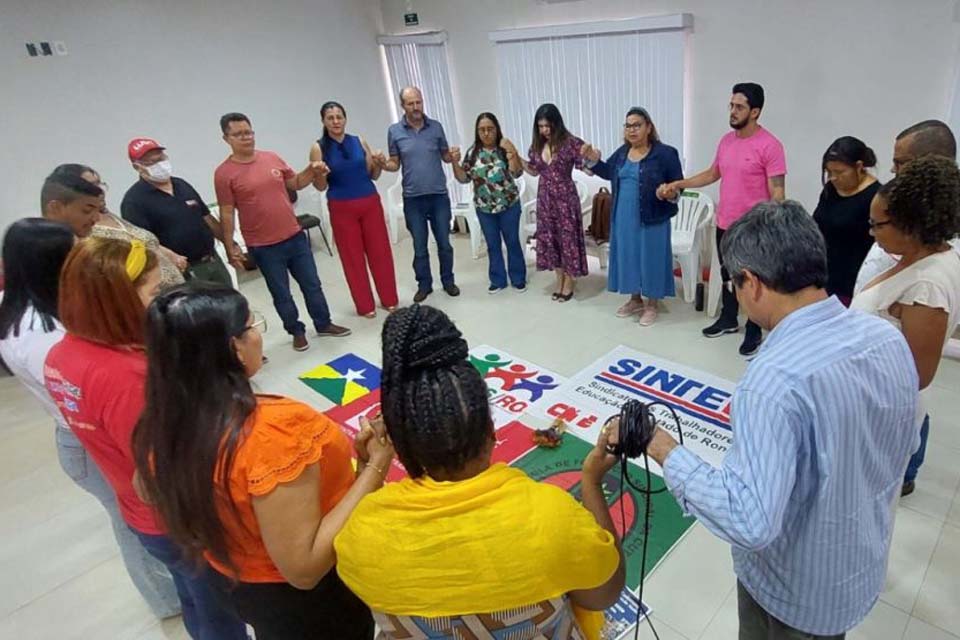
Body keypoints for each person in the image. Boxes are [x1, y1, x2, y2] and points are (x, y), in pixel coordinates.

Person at [639, 201, 918, 639]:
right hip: (856, 570)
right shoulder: (886, 338)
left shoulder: (772, 382)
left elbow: (749, 520)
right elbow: (905, 446)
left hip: (793, 595)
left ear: (751, 282)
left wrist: (662, 448)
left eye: (734, 283)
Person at [335, 304, 626, 640]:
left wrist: (371, 466)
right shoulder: (551, 516)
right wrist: (590, 482)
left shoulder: (363, 531)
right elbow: (603, 594)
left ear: (399, 443)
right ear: (490, 431)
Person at [133, 284, 390, 640]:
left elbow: (145, 488)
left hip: (235, 577)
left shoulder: (169, 417)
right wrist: (375, 468)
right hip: (307, 604)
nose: (258, 337)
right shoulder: (274, 433)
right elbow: (303, 569)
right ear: (233, 348)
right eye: (252, 326)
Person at [44, 238, 247, 640]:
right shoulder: (128, 377)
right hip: (178, 520)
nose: (163, 299)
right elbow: (164, 468)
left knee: (194, 600)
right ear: (115, 299)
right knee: (220, 615)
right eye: (154, 291)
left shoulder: (62, 355)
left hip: (140, 515)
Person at [0, 219, 180, 621]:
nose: (85, 255)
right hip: (90, 437)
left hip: (90, 431)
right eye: (74, 251)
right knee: (137, 523)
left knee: (137, 519)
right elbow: (150, 465)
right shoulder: (51, 339)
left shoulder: (64, 331)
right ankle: (167, 601)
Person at [853, 119, 960, 496]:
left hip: (878, 416)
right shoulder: (913, 259)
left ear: (911, 222)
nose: (872, 234)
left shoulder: (928, 285)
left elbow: (915, 376)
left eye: (877, 225)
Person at [660, 83, 787, 356]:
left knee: (753, 282)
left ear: (755, 111)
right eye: (731, 105)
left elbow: (778, 191)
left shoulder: (770, 146)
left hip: (754, 228)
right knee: (728, 275)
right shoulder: (727, 142)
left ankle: (754, 330)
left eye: (739, 107)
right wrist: (680, 183)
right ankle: (729, 319)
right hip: (725, 223)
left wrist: (773, 226)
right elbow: (712, 174)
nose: (732, 111)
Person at [215, 112, 350, 352]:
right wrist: (230, 245)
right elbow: (227, 213)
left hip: (294, 236)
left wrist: (313, 169)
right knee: (281, 293)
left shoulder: (271, 158)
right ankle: (296, 332)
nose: (246, 137)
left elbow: (296, 183)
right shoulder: (224, 173)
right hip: (263, 245)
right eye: (238, 134)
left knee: (312, 285)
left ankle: (323, 323)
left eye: (248, 132)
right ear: (226, 138)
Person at [582, 107, 684, 326]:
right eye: (628, 125)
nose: (632, 130)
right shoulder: (621, 153)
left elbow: (678, 185)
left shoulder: (665, 154)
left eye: (637, 125)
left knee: (652, 259)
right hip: (624, 216)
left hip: (653, 217)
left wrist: (670, 192)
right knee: (629, 257)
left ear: (649, 127)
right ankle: (635, 299)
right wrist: (592, 161)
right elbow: (608, 171)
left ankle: (652, 304)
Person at [309, 101, 399, 317]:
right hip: (341, 207)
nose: (336, 121)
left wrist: (378, 162)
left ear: (345, 118)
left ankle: (389, 298)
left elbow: (373, 174)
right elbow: (320, 186)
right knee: (352, 257)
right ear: (323, 121)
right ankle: (365, 305)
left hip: (369, 202)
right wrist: (320, 172)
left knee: (381, 252)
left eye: (339, 116)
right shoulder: (318, 147)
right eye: (330, 118)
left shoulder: (359, 141)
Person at [379, 86, 460, 302]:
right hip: (413, 199)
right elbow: (394, 163)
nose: (416, 107)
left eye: (418, 102)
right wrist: (383, 165)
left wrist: (453, 155)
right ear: (402, 106)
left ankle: (448, 281)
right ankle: (424, 285)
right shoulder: (395, 131)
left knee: (444, 242)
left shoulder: (436, 127)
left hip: (438, 196)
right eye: (410, 103)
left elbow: (445, 156)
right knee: (419, 246)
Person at [121, 137, 234, 287]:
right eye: (151, 162)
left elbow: (206, 217)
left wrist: (230, 245)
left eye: (160, 158)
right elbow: (144, 243)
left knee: (232, 304)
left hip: (213, 261)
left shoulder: (181, 185)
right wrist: (171, 257)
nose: (159, 165)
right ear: (137, 167)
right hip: (181, 271)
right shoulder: (134, 201)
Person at [50, 163, 186, 288]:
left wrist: (169, 254)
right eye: (91, 185)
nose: (99, 190)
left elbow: (141, 240)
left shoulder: (109, 215)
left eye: (99, 184)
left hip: (173, 289)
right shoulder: (83, 232)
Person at [521, 103, 591, 302]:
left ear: (556, 123)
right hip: (545, 200)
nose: (544, 130)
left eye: (548, 126)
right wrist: (517, 159)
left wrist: (592, 157)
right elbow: (535, 170)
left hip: (565, 199)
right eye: (540, 126)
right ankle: (559, 278)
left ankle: (569, 282)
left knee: (567, 240)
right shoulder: (536, 146)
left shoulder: (570, 143)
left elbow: (587, 167)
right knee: (552, 241)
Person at [451, 112, 527, 293]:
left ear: (497, 130)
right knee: (492, 245)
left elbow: (517, 173)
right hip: (484, 208)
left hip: (508, 205)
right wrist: (454, 162)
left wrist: (513, 154)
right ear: (477, 132)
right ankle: (498, 279)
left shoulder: (504, 149)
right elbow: (463, 178)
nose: (486, 133)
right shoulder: (472, 153)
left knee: (512, 242)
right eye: (482, 130)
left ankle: (518, 278)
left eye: (490, 129)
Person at [812, 137, 880, 306]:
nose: (833, 178)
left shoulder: (876, 197)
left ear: (859, 167)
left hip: (854, 281)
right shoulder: (830, 190)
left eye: (840, 172)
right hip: (824, 276)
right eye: (829, 172)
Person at [39, 167, 104, 238]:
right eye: (87, 210)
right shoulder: (31, 246)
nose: (96, 219)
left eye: (99, 210)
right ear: (55, 208)